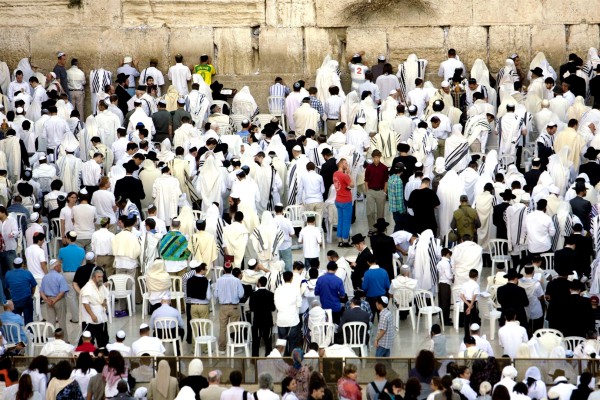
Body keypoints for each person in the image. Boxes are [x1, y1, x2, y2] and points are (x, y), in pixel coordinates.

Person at [214, 265, 244, 354]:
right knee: (235, 327)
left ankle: (222, 348)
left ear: (223, 270)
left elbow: (216, 294)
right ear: (231, 270)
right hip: (234, 306)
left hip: (223, 306)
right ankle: (235, 348)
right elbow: (241, 294)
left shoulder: (219, 280)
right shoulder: (237, 280)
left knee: (222, 328)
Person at [58, 230, 85, 323]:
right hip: (79, 273)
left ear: (68, 238)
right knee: (79, 295)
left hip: (67, 274)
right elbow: (81, 262)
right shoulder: (82, 250)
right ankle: (83, 315)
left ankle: (75, 318)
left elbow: (60, 262)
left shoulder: (62, 250)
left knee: (71, 296)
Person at [39, 259, 69, 340]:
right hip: (59, 300)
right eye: (59, 265)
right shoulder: (60, 277)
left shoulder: (45, 277)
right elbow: (62, 291)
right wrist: (55, 300)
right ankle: (64, 340)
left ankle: (51, 340)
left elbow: (41, 291)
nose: (61, 267)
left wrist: (46, 300)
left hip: (49, 301)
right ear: (56, 267)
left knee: (50, 322)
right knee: (61, 321)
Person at [80, 268, 110, 348]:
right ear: (93, 277)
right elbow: (85, 303)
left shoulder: (101, 286)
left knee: (103, 339)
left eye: (101, 277)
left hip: (101, 318)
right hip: (90, 320)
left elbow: (105, 295)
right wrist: (92, 315)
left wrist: (104, 301)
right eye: (98, 277)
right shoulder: (87, 288)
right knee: (89, 340)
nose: (101, 279)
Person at [275, 271, 302, 355]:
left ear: (283, 278)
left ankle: (282, 360)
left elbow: (276, 303)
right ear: (291, 278)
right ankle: (292, 360)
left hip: (281, 319)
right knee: (293, 341)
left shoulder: (278, 289)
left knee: (282, 341)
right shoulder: (295, 289)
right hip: (293, 319)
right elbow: (299, 303)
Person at [4, 257, 36, 325]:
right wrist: (32, 294)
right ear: (22, 264)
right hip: (26, 299)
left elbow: (7, 287)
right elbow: (33, 285)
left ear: (13, 265)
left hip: (15, 301)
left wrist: (13, 292)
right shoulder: (27, 273)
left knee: (16, 322)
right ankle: (30, 334)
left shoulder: (8, 274)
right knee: (29, 321)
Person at [250, 276, 275, 356]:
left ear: (259, 283)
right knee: (268, 341)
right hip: (267, 320)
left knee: (256, 341)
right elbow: (273, 308)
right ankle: (268, 356)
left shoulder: (253, 294)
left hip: (257, 321)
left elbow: (252, 308)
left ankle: (254, 359)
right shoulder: (271, 294)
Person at [333, 158, 354, 247]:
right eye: (345, 163)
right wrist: (349, 174)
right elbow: (352, 184)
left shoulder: (335, 174)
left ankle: (340, 240)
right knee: (346, 221)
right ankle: (345, 240)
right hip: (346, 200)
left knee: (340, 220)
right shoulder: (344, 175)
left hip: (338, 199)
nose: (347, 165)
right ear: (341, 164)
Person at [460, 269, 480, 335]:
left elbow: (461, 296)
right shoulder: (476, 285)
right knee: (474, 320)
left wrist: (468, 305)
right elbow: (474, 297)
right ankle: (474, 335)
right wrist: (470, 306)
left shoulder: (464, 284)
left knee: (466, 321)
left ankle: (467, 335)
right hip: (473, 303)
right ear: (476, 276)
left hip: (466, 303)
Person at [436, 248, 453, 325]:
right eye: (449, 254)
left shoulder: (440, 262)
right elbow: (449, 276)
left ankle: (442, 317)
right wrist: (454, 276)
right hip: (445, 284)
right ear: (447, 254)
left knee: (442, 302)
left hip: (441, 283)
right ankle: (445, 320)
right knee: (446, 303)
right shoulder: (446, 263)